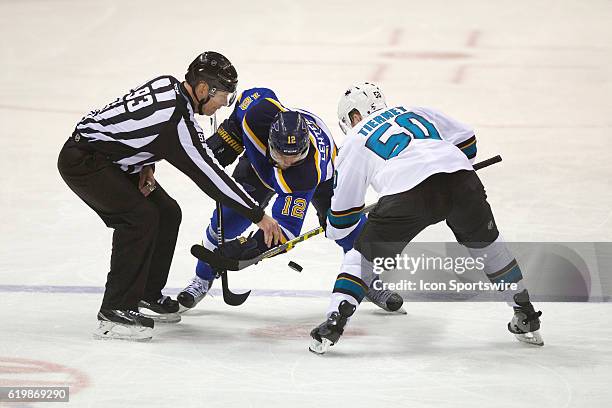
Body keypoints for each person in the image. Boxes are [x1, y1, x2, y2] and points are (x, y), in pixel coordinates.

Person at [57, 51, 281, 342]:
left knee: (167, 212)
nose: (223, 105)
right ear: (203, 90)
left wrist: (144, 163)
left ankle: (146, 293)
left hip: (111, 160)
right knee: (139, 218)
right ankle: (114, 311)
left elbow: (130, 123)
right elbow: (211, 176)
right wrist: (258, 215)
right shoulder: (177, 121)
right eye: (222, 96)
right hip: (85, 163)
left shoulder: (168, 86)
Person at [309, 82, 543, 354]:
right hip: (463, 182)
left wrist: (333, 227)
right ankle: (525, 313)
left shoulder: (355, 137)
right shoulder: (414, 110)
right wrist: (445, 165)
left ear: (354, 116)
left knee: (360, 259)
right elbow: (467, 142)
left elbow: (343, 216)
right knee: (490, 248)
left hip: (407, 195)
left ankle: (333, 323)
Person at [177, 87, 404, 314]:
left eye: (294, 156)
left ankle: (367, 279)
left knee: (347, 226)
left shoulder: (304, 174)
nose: (286, 162)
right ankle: (201, 279)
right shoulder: (257, 114)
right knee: (225, 224)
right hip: (260, 171)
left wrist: (251, 248)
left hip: (323, 178)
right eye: (281, 155)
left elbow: (284, 231)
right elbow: (251, 98)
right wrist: (229, 136)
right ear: (269, 140)